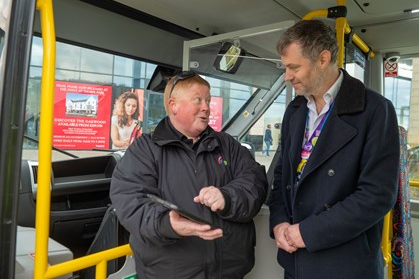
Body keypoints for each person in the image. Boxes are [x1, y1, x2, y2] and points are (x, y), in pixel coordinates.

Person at [268, 20, 400, 279]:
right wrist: (279, 223)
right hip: (295, 263)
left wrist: (307, 233)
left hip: (344, 265)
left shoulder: (375, 110)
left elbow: (377, 195)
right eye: (285, 68)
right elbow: (282, 177)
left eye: (294, 67)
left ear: (323, 59)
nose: (287, 76)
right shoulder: (294, 111)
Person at [110, 70, 268, 278]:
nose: (206, 107)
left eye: (208, 101)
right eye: (198, 100)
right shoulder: (145, 150)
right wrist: (166, 224)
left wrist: (227, 197)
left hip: (229, 271)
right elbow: (130, 200)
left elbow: (255, 181)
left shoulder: (227, 144)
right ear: (173, 105)